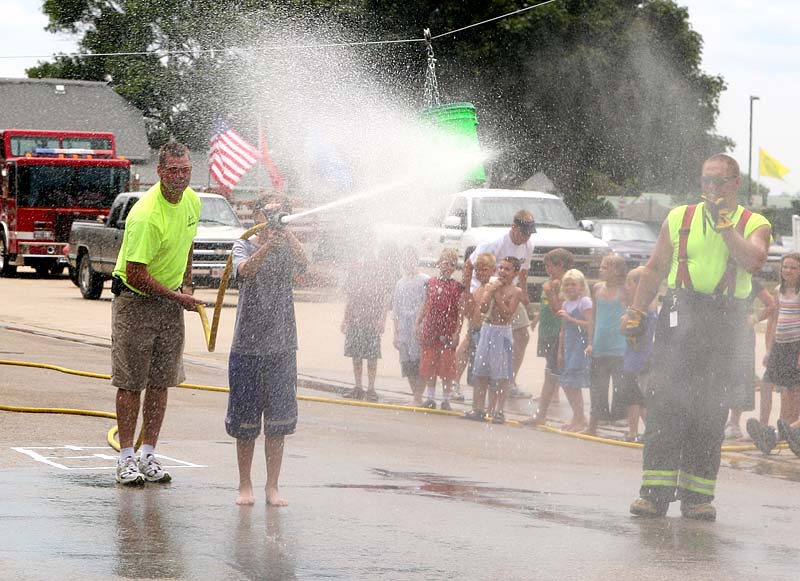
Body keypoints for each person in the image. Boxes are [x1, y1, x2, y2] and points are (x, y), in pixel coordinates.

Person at [625, 153, 770, 521]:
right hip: (679, 317)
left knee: (709, 413)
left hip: (725, 323)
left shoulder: (755, 222)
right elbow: (656, 268)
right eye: (706, 180)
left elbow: (753, 262)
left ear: (736, 183)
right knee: (665, 406)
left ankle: (698, 497)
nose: (711, 188)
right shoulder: (679, 217)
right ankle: (654, 494)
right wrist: (636, 312)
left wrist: (725, 228)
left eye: (719, 181)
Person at [111, 141, 204, 485]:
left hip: (170, 300)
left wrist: (188, 285)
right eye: (174, 171)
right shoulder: (147, 214)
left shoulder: (192, 201)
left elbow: (188, 241)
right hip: (135, 301)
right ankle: (125, 458)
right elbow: (135, 273)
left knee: (161, 381)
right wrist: (178, 296)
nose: (180, 178)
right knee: (131, 382)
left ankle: (148, 452)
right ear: (160, 172)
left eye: (186, 170)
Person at [225, 196, 307, 506]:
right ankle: (244, 484)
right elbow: (243, 271)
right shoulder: (243, 243)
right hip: (247, 345)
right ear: (258, 214)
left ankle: (272, 486)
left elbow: (305, 264)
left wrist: (287, 235)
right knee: (244, 422)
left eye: (280, 213)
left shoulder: (288, 245)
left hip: (282, 345)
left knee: (278, 423)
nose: (274, 218)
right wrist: (268, 245)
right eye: (269, 213)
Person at [462, 210, 536, 398]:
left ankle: (509, 381)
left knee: (522, 335)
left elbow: (523, 273)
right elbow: (469, 265)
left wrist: (525, 298)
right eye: (522, 233)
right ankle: (454, 381)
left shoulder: (528, 245)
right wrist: (468, 296)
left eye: (529, 234)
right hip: (486, 291)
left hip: (511, 293)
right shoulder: (495, 244)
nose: (525, 237)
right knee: (473, 337)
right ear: (513, 227)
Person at [746, 253, 800, 454]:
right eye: (785, 267)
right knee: (775, 387)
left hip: (796, 345)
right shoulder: (779, 291)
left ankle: (783, 432)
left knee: (793, 391)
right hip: (780, 344)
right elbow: (774, 319)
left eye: (793, 268)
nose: (788, 271)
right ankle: (770, 430)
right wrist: (769, 348)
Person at [471, 257, 524, 424]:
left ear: (515, 273)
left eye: (507, 269)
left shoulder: (516, 292)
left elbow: (507, 314)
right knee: (481, 371)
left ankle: (498, 410)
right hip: (488, 329)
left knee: (501, 374)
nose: (502, 271)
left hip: (503, 333)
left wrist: (497, 294)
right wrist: (489, 291)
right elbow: (483, 308)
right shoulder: (491, 286)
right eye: (500, 268)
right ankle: (477, 408)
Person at [524, 248, 573, 426]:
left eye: (549, 265)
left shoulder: (564, 283)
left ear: (560, 265)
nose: (547, 269)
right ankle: (547, 402)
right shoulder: (550, 282)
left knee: (555, 368)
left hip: (557, 330)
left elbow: (557, 309)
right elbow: (545, 306)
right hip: (547, 327)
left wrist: (552, 292)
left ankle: (554, 397)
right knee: (549, 364)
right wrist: (536, 319)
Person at [725, 280, 775, 439]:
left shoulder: (749, 280)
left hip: (742, 335)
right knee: (718, 376)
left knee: (740, 377)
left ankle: (734, 422)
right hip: (719, 333)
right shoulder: (718, 276)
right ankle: (720, 420)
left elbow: (771, 304)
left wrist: (754, 318)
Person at [341, 249, 392, 402]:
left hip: (371, 321)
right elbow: (350, 299)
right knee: (356, 355)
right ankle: (358, 386)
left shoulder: (380, 277)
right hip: (356, 321)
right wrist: (345, 319)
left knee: (371, 356)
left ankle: (371, 388)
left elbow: (385, 299)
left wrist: (382, 319)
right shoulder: (356, 275)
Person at [416, 248, 464, 410]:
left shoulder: (457, 287)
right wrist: (417, 323)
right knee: (430, 365)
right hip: (431, 330)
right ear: (438, 263)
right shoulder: (430, 283)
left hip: (447, 332)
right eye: (445, 262)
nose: (448, 267)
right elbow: (425, 304)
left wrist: (457, 332)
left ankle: (446, 399)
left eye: (452, 264)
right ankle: (430, 397)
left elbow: (460, 313)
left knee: (447, 367)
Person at [585, 255, 628, 435]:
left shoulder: (625, 291)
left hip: (619, 346)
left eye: (605, 267)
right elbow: (593, 318)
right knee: (597, 387)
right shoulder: (596, 288)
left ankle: (620, 418)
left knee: (620, 387)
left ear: (617, 271)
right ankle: (594, 423)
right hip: (600, 345)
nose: (600, 270)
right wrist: (590, 342)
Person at [616, 267, 657, 442]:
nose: (626, 287)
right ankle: (643, 432)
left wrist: (624, 320)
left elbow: (625, 329)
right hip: (639, 357)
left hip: (637, 360)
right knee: (638, 399)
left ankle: (641, 432)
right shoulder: (648, 306)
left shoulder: (640, 309)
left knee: (636, 399)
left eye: (630, 283)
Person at [391, 246, 429, 406]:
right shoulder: (400, 283)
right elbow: (396, 309)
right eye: (404, 259)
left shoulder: (425, 280)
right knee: (407, 363)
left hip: (419, 326)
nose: (408, 262)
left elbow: (428, 304)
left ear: (416, 260)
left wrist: (421, 324)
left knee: (420, 361)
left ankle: (419, 396)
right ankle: (416, 396)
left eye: (410, 258)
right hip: (404, 329)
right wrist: (395, 333)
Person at [557, 268, 594, 432]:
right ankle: (577, 416)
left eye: (573, 284)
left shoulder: (585, 302)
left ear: (581, 286)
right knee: (566, 383)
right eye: (566, 285)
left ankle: (580, 418)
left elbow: (590, 325)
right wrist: (560, 351)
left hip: (580, 345)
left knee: (574, 382)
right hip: (569, 345)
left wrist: (571, 318)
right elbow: (563, 330)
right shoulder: (565, 303)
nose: (570, 288)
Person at [462, 253, 497, 420]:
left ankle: (490, 408)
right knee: (477, 373)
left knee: (489, 374)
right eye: (477, 270)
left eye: (484, 270)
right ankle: (477, 407)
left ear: (493, 270)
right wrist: (469, 334)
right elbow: (470, 314)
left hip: (488, 334)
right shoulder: (477, 290)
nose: (480, 273)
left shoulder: (494, 288)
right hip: (476, 333)